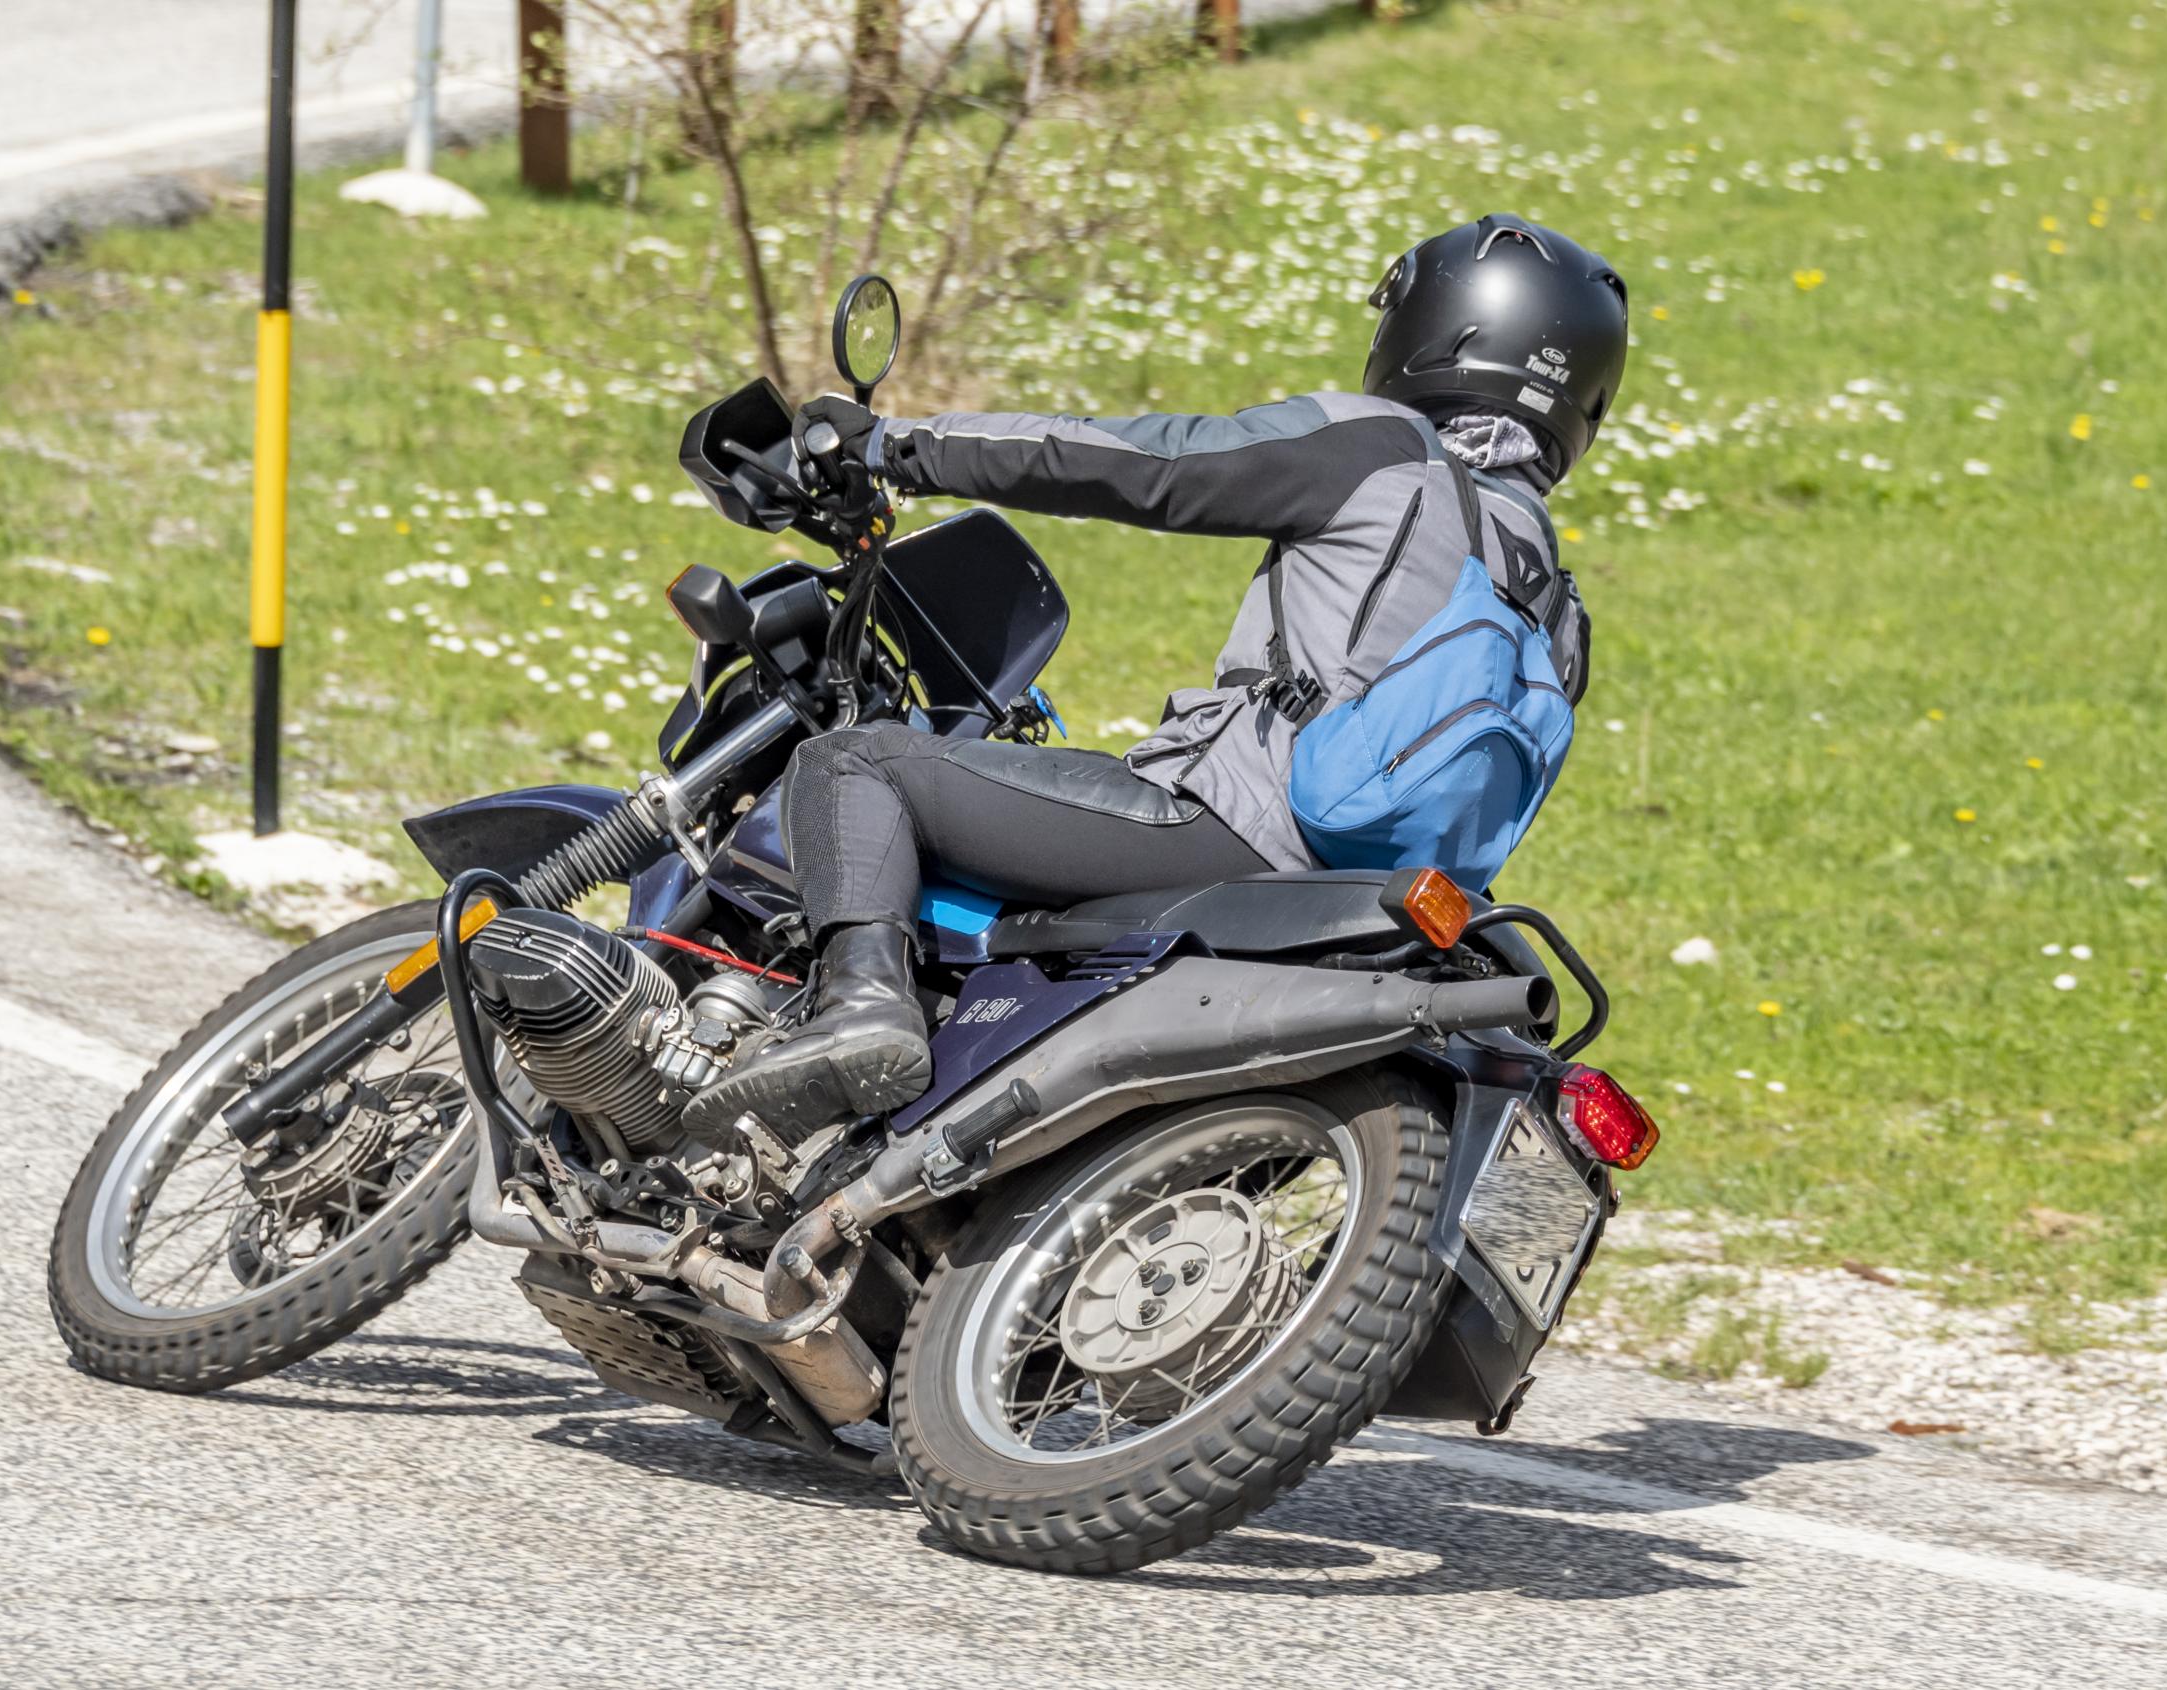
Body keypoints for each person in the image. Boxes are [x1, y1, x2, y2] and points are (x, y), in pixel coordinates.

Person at [687, 214, 1630, 1137]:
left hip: (1233, 830)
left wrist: (897, 449)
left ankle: (862, 1010)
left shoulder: (1381, 449)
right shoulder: (1559, 605)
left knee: (859, 766)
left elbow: (1143, 461)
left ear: (1437, 328)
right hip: (1384, 908)